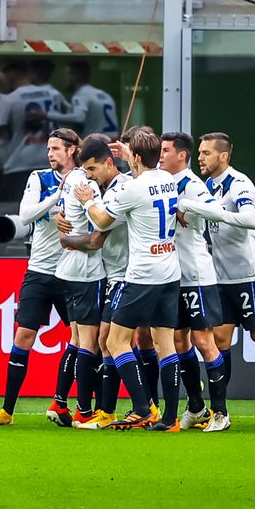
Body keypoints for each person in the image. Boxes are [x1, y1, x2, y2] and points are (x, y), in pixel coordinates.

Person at [179, 132, 255, 432]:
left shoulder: (240, 184)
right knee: (219, 341)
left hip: (246, 275)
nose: (201, 158)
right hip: (218, 278)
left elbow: (249, 220)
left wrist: (199, 209)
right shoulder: (205, 187)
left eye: (207, 153)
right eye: (200, 152)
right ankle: (219, 411)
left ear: (224, 156)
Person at [74, 129, 183, 432]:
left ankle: (141, 408)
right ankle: (170, 418)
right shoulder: (167, 180)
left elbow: (101, 221)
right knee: (165, 344)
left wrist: (86, 201)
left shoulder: (131, 189)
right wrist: (132, 152)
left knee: (115, 341)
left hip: (143, 275)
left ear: (134, 158)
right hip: (170, 271)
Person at [0, 129, 82, 427]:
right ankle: (7, 410)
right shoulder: (40, 178)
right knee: (24, 336)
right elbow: (25, 216)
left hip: (72, 273)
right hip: (39, 271)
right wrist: (56, 197)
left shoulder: (84, 181)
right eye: (48, 149)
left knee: (84, 338)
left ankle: (64, 404)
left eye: (56, 149)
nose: (50, 154)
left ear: (72, 149)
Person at [159, 132, 228, 432]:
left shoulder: (192, 185)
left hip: (197, 275)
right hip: (174, 276)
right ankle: (197, 407)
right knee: (178, 340)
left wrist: (186, 207)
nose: (160, 156)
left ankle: (221, 413)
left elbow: (218, 212)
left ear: (180, 156)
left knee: (204, 341)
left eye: (165, 151)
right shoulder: (162, 183)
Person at [61, 135, 130, 430]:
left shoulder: (120, 189)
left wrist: (68, 237)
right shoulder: (105, 187)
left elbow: (97, 234)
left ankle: (143, 407)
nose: (88, 177)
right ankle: (104, 411)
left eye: (91, 170)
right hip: (111, 274)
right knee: (103, 341)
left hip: (126, 274)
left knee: (113, 341)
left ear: (109, 163)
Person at [53, 134, 108, 427]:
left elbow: (62, 219)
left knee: (75, 339)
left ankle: (59, 401)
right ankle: (84, 411)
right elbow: (100, 225)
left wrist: (65, 235)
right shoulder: (86, 185)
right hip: (87, 272)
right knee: (90, 343)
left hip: (66, 271)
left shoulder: (69, 178)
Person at [0, 60, 66, 199]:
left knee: (19, 213)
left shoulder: (11, 99)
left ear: (11, 74)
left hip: (20, 165)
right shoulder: (54, 95)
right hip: (50, 163)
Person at [48, 60, 120, 138]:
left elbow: (79, 118)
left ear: (74, 76)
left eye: (67, 75)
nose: (65, 79)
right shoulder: (104, 94)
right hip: (113, 142)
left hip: (96, 144)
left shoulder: (81, 95)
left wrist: (46, 115)